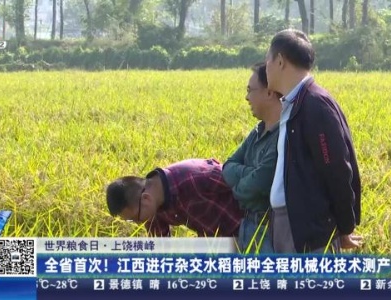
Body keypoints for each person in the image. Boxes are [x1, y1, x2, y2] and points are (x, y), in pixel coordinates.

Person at [265, 29, 362, 253]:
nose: (265, 66)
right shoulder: (293, 103)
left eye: (267, 59)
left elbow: (336, 169)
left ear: (280, 61)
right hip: (288, 224)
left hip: (310, 231)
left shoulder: (314, 105)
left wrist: (345, 226)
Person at [222, 63, 282, 253]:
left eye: (250, 90)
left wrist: (237, 188)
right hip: (247, 226)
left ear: (270, 92)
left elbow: (261, 182)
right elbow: (228, 166)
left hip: (270, 231)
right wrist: (249, 173)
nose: (247, 97)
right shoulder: (257, 132)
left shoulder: (283, 136)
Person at [106, 158, 244, 238]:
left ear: (146, 199)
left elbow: (244, 181)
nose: (138, 223)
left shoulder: (195, 177)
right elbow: (162, 248)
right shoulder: (152, 209)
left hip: (252, 226)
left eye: (135, 218)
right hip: (220, 242)